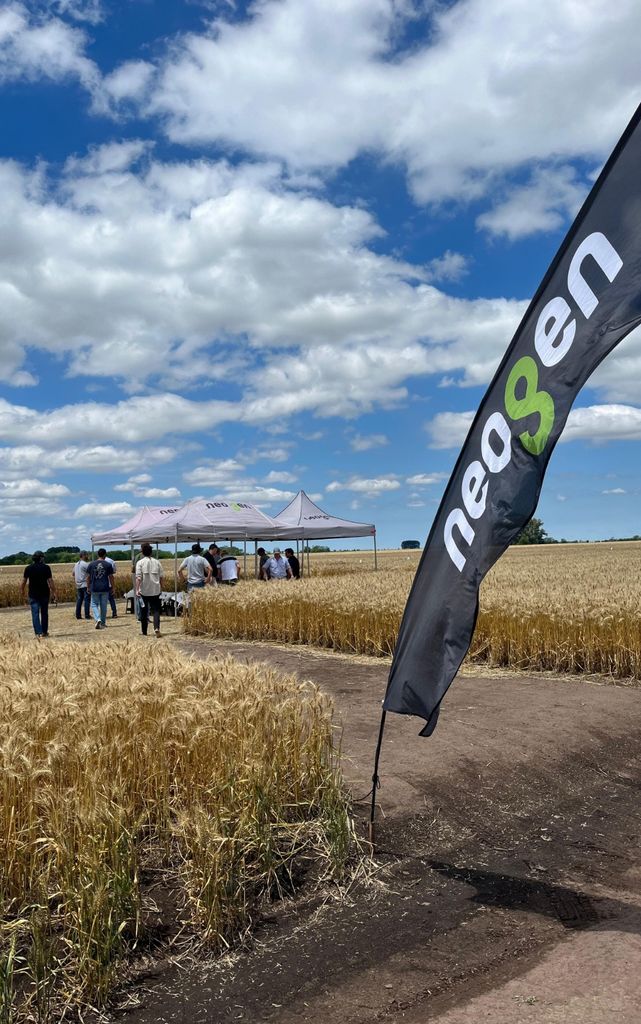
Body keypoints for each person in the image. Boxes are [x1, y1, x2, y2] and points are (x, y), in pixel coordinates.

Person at [21, 550, 56, 638]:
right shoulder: (46, 567)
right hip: (44, 593)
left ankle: (38, 632)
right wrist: (54, 592)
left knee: (35, 613)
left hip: (33, 594)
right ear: (41, 558)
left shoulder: (28, 568)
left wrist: (22, 590)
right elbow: (50, 581)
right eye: (43, 557)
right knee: (44, 613)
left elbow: (24, 581)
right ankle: (44, 632)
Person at [135, 542, 164, 637]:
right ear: (151, 552)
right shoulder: (157, 562)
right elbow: (161, 577)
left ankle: (144, 631)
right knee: (156, 610)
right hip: (155, 590)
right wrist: (161, 587)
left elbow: (138, 577)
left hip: (144, 591)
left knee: (144, 611)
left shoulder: (140, 563)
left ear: (142, 552)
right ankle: (156, 628)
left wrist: (137, 589)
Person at [87, 548, 115, 629]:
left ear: (97, 554)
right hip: (105, 587)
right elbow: (111, 577)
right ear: (105, 555)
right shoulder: (108, 565)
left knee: (94, 604)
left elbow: (88, 577)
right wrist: (113, 587)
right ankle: (103, 622)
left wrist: (88, 587)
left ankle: (97, 618)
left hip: (94, 587)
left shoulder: (91, 564)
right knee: (104, 606)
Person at [73, 551, 91, 619]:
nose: (87, 556)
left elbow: (73, 574)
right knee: (87, 600)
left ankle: (78, 615)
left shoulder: (76, 564)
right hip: (85, 584)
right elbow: (90, 573)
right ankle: (87, 615)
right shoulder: (85, 564)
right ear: (83, 556)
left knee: (79, 600)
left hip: (78, 584)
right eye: (86, 555)